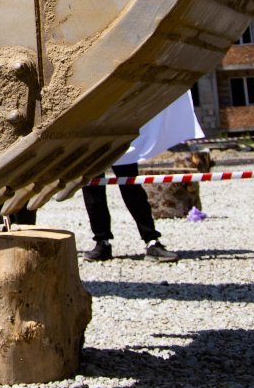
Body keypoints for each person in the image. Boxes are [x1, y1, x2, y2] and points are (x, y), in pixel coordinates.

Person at [81, 92, 199, 263]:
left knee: (131, 187)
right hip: (88, 129)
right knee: (93, 189)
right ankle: (102, 242)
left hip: (117, 127)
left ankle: (151, 241)